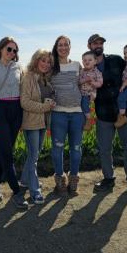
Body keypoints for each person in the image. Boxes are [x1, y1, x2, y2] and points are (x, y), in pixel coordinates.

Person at [87, 33, 127, 195]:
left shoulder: (116, 60)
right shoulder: (88, 66)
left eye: (100, 43)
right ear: (89, 46)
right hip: (103, 114)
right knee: (104, 149)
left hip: (124, 114)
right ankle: (108, 179)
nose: (98, 45)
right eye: (95, 43)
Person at [0, 37, 28, 210]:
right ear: (1, 48)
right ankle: (16, 191)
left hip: (17, 110)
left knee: (5, 150)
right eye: (9, 49)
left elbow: (26, 87)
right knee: (6, 152)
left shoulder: (18, 67)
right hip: (1, 110)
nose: (12, 53)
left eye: (15, 50)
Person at [50, 35, 85, 195]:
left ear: (70, 47)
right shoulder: (51, 66)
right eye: (60, 45)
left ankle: (73, 180)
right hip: (58, 114)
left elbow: (85, 85)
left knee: (76, 149)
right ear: (56, 48)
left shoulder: (77, 65)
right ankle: (60, 181)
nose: (63, 48)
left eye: (66, 45)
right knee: (57, 149)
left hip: (77, 114)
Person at [20, 49, 55, 204]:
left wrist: (51, 102)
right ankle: (35, 191)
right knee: (34, 157)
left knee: (34, 154)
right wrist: (45, 107)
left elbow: (46, 97)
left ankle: (25, 181)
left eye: (48, 62)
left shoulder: (45, 79)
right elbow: (25, 102)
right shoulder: (28, 77)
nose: (46, 64)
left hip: (42, 122)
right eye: (43, 60)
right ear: (36, 60)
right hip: (31, 122)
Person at [78, 51, 103, 131]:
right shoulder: (82, 71)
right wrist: (84, 80)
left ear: (95, 61)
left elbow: (100, 83)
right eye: (84, 60)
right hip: (80, 93)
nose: (87, 62)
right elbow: (78, 82)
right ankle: (83, 120)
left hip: (89, 93)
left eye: (89, 60)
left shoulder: (97, 72)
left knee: (84, 105)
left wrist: (92, 82)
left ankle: (89, 120)